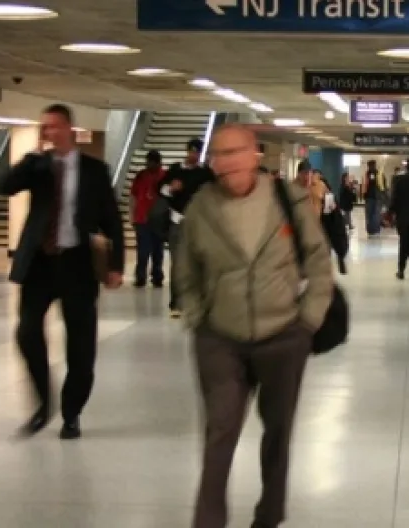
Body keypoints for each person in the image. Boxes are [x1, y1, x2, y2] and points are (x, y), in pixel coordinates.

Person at [173, 125, 334, 528]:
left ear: (254, 155)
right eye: (218, 155)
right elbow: (185, 269)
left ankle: (269, 514)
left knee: (278, 431)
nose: (225, 163)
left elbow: (318, 259)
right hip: (220, 337)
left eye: (233, 152)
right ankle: (208, 521)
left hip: (283, 334)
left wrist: (308, 320)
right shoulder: (202, 206)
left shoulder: (287, 199)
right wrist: (196, 317)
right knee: (219, 431)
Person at [0, 103, 124, 440]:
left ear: (70, 128)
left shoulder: (95, 170)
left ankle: (72, 413)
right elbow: (5, 186)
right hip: (39, 263)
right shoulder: (38, 166)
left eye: (54, 126)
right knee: (27, 332)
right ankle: (44, 402)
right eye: (45, 127)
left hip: (78, 264)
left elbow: (112, 219)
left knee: (81, 346)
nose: (49, 132)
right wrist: (31, 157)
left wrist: (116, 265)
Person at [159, 138, 215, 318]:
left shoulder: (205, 173)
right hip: (177, 221)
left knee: (199, 262)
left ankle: (198, 301)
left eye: (197, 152)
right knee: (177, 263)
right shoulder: (175, 170)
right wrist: (171, 188)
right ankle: (175, 302)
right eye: (191, 151)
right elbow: (160, 189)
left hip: (198, 223)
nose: (194, 155)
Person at [130, 149, 167, 288]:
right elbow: (133, 196)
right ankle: (140, 277)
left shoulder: (165, 176)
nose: (150, 165)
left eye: (153, 162)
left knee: (158, 251)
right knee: (142, 251)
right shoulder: (140, 176)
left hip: (159, 220)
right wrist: (131, 215)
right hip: (142, 219)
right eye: (148, 162)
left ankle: (157, 276)